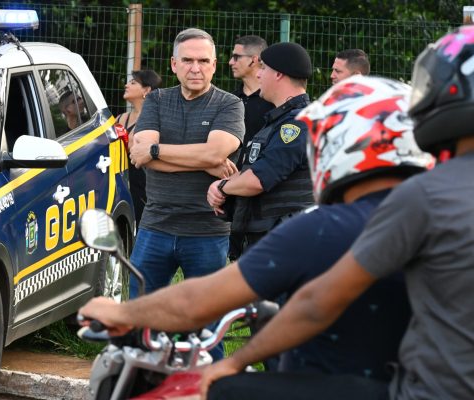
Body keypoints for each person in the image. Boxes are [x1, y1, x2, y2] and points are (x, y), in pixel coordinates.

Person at [79, 75, 433, 388]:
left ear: (339, 145)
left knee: (221, 389)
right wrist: (237, 360)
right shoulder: (443, 217)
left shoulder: (321, 228)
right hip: (426, 384)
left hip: (346, 386)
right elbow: (312, 307)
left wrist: (122, 313)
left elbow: (197, 301)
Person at [201, 26, 474, 400]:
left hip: (431, 391)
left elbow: (316, 303)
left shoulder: (425, 197)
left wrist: (234, 362)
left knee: (230, 389)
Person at [126, 28, 245, 358]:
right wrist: (205, 161)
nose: (196, 68)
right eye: (188, 60)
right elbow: (139, 156)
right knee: (138, 319)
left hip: (207, 231)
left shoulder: (229, 104)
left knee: (208, 329)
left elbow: (212, 153)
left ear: (215, 65)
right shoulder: (156, 100)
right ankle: (137, 383)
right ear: (174, 64)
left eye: (204, 61)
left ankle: (209, 388)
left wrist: (156, 150)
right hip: (155, 226)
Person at [207, 42, 313, 253]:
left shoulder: (297, 124)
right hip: (272, 238)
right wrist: (226, 184)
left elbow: (258, 179)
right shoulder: (279, 120)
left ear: (279, 74)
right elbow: (252, 170)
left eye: (263, 68)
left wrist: (221, 187)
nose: (258, 75)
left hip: (287, 243)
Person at [227, 35, 275, 261]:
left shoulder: (274, 103)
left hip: (263, 190)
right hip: (228, 187)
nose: (230, 61)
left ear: (255, 60)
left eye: (237, 56)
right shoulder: (228, 100)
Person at [116, 69, 162, 228]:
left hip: (141, 183)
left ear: (146, 90)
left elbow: (133, 148)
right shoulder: (122, 117)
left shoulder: (151, 119)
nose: (126, 85)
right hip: (121, 178)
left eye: (133, 83)